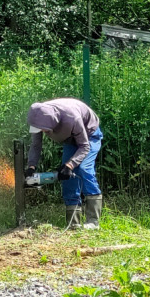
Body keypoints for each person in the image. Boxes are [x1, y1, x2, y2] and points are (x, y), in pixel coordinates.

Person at [26, 98, 103, 229]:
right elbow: (35, 145)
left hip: (89, 136)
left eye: (44, 130)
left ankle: (93, 221)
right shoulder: (38, 117)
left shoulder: (71, 118)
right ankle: (73, 223)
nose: (42, 132)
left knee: (83, 169)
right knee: (68, 178)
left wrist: (70, 165)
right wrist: (31, 166)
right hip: (70, 140)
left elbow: (84, 146)